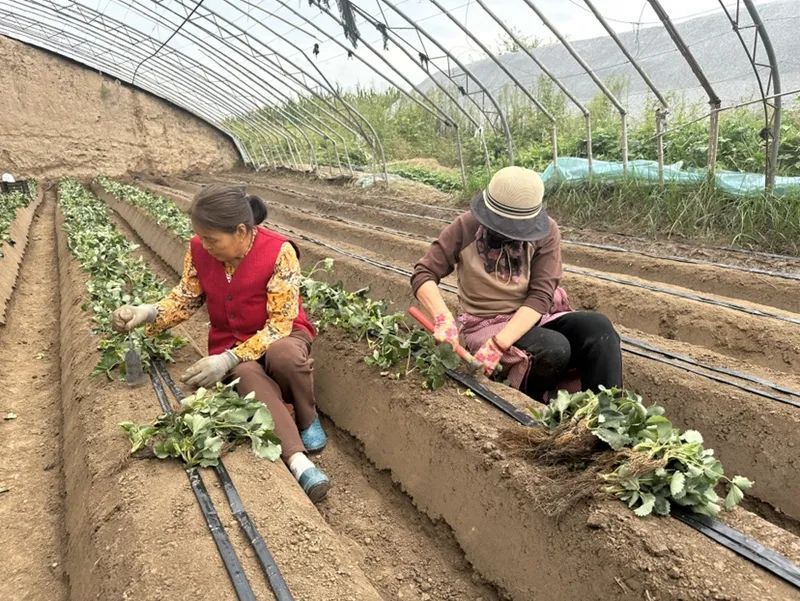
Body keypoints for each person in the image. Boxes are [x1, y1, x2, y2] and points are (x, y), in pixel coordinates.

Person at [112, 185, 330, 502]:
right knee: (247, 376)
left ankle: (308, 417)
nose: (206, 246)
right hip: (232, 341)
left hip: (282, 334)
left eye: (213, 239)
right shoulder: (199, 250)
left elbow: (279, 324)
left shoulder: (279, 252)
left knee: (283, 356)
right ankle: (299, 462)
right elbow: (186, 298)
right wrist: (148, 312)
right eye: (201, 238)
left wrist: (227, 359)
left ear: (241, 231)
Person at [411, 166, 623, 401]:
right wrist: (443, 318)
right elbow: (424, 273)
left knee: (598, 328)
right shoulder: (466, 227)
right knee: (554, 348)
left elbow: (541, 296)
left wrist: (499, 345)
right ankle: (533, 405)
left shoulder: (547, 232)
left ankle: (607, 413)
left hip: (535, 316)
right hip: (486, 323)